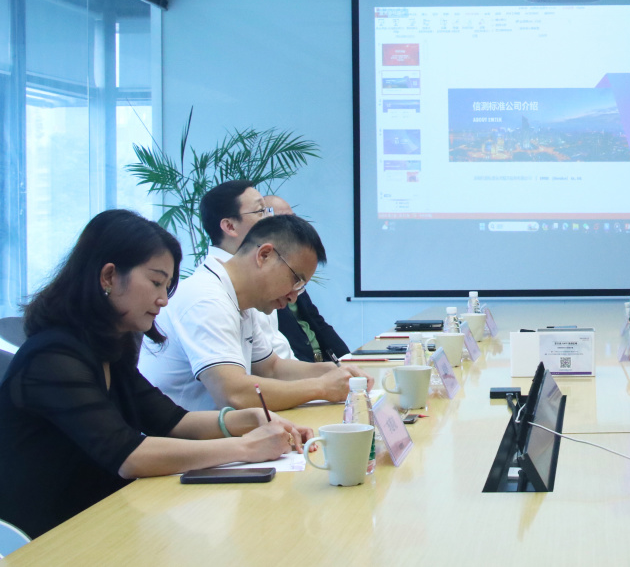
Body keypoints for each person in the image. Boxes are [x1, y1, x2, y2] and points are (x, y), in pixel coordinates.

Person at [0, 210, 312, 539]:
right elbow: (129, 456)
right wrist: (246, 448)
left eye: (167, 285)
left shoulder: (107, 349)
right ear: (109, 277)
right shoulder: (53, 358)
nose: (163, 299)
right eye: (155, 282)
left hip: (101, 520)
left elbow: (172, 421)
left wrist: (246, 420)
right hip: (47, 538)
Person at [139, 214, 370, 411]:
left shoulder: (242, 301)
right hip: (183, 443)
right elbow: (233, 395)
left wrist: (334, 370)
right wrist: (321, 387)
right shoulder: (206, 299)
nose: (293, 297)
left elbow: (271, 369)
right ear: (264, 255)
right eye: (296, 280)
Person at [199, 180, 295, 360]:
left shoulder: (249, 274)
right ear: (230, 226)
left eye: (268, 211)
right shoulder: (209, 294)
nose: (270, 219)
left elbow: (272, 364)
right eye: (261, 211)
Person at [263, 195, 352, 362]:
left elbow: (317, 321)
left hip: (318, 364)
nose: (292, 227)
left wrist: (347, 360)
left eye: (293, 219)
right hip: (301, 367)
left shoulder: (293, 266)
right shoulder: (263, 284)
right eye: (283, 220)